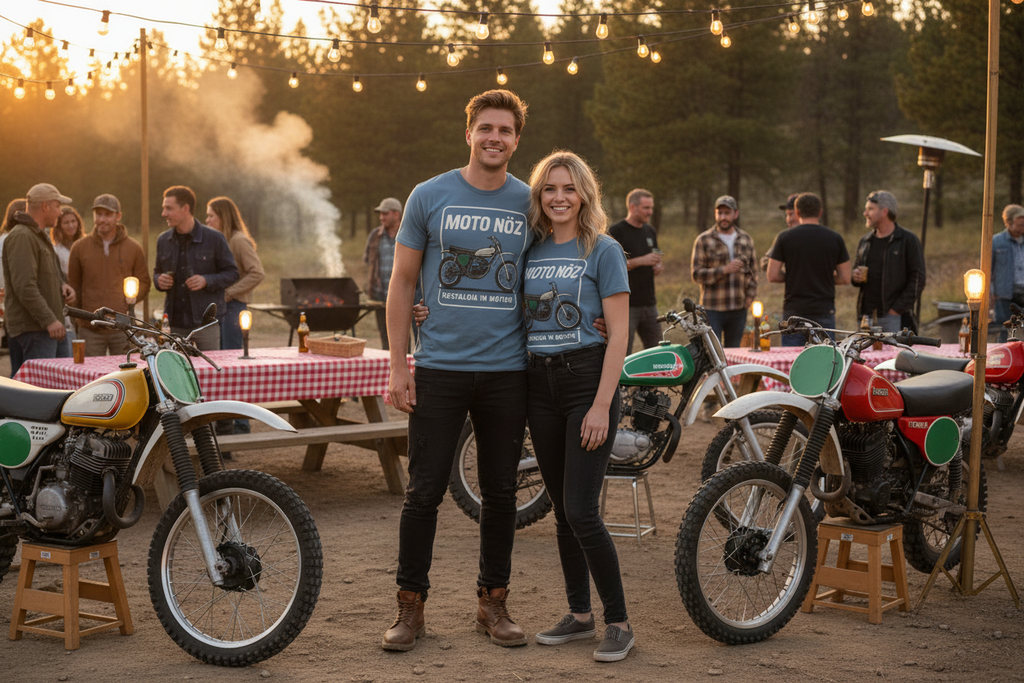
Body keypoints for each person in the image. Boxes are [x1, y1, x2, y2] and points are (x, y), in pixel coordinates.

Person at [383, 89, 532, 652]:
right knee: (422, 493)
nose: (495, 138)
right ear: (468, 133)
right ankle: (410, 608)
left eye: (506, 130)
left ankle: (493, 603)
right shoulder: (430, 195)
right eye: (486, 128)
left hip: (506, 372)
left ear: (517, 140)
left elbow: (552, 273)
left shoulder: (529, 202)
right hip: (440, 368)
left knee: (500, 492)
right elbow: (401, 281)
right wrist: (400, 365)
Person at [524, 151, 634, 662]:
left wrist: (601, 405)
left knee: (582, 510)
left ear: (585, 193)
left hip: (587, 381)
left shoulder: (604, 249)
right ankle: (580, 615)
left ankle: (619, 622)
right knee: (562, 513)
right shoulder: (532, 249)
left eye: (569, 188)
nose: (559, 197)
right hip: (537, 384)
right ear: (540, 196)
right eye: (550, 189)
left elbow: (619, 337)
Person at [3, 184, 76, 377]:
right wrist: (49, 320)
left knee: (58, 385)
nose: (60, 212)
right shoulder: (22, 236)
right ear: (45, 206)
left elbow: (49, 275)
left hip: (49, 329)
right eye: (57, 206)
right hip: (35, 329)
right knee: (38, 393)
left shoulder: (38, 235)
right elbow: (24, 287)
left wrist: (64, 285)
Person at [154, 186, 238, 351]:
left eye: (168, 208)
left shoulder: (214, 238)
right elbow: (156, 272)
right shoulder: (163, 240)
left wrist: (207, 280)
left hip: (205, 323)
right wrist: (159, 280)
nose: (164, 213)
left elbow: (232, 273)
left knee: (210, 371)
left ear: (185, 209)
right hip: (174, 324)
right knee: (175, 373)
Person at [68, 194, 151, 356]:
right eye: (98, 214)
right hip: (90, 328)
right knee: (92, 376)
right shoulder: (79, 247)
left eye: (108, 214)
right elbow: (74, 285)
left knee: (125, 373)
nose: (102, 219)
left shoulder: (133, 248)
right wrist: (82, 317)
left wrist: (126, 304)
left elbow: (144, 282)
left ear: (118, 216)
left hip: (122, 328)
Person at [767, 192, 851, 345]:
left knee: (792, 360)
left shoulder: (785, 237)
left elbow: (772, 275)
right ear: (820, 212)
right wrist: (822, 276)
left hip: (794, 311)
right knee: (824, 362)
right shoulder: (834, 237)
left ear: (797, 212)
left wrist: (796, 276)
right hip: (824, 310)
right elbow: (845, 277)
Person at [851, 190, 925, 333]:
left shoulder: (907, 240)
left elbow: (918, 278)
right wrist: (855, 276)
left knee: (895, 355)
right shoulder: (865, 241)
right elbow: (856, 273)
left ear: (885, 211)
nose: (865, 213)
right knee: (864, 356)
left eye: (870, 209)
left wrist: (896, 310)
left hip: (893, 317)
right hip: (866, 317)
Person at [690, 195, 758, 347]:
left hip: (739, 307)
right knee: (713, 353)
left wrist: (750, 295)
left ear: (736, 214)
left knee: (734, 353)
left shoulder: (746, 239)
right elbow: (696, 274)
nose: (723, 217)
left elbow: (753, 271)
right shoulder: (704, 240)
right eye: (720, 213)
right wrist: (724, 270)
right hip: (713, 308)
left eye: (727, 213)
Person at [205, 197, 264, 351]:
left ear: (224, 217)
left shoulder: (238, 240)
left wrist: (230, 292)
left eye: (211, 216)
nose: (207, 220)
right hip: (218, 305)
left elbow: (257, 273)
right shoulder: (220, 240)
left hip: (234, 306)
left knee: (230, 354)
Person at [608, 189, 662, 354]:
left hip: (650, 304)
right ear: (632, 207)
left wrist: (657, 265)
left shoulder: (650, 231)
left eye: (651, 208)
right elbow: (611, 267)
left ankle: (654, 380)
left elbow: (655, 254)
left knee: (658, 353)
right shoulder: (616, 232)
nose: (650, 212)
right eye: (646, 208)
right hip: (626, 305)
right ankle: (624, 381)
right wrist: (641, 261)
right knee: (623, 353)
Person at [363, 197, 403, 350]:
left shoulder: (409, 234)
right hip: (380, 297)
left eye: (385, 214)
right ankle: (388, 371)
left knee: (403, 340)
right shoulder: (375, 235)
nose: (381, 218)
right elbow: (368, 260)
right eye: (380, 214)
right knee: (385, 340)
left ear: (396, 215)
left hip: (405, 297)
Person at [991, 204, 1024, 341]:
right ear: (1008, 223)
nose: (1021, 228)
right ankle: (1003, 356)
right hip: (1004, 293)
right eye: (1018, 225)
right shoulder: (996, 241)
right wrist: (991, 292)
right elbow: (988, 269)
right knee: (1005, 328)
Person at [52, 206, 84, 340]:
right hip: (68, 297)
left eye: (73, 221)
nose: (71, 225)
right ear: (59, 226)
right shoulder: (57, 250)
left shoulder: (85, 244)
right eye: (66, 223)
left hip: (85, 295)